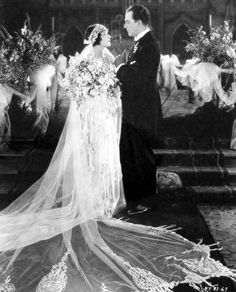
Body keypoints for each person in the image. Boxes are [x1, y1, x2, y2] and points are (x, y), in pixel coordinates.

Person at [0, 23, 235, 292]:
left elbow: (117, 77)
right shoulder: (86, 58)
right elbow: (76, 86)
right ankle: (92, 196)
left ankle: (105, 196)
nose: (113, 35)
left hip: (107, 115)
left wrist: (110, 89)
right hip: (95, 116)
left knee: (106, 156)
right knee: (95, 155)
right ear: (98, 37)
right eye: (108, 34)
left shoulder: (109, 57)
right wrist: (96, 92)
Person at [116, 5, 162, 212]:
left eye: (128, 21)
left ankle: (144, 200)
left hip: (141, 110)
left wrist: (119, 68)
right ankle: (135, 200)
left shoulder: (149, 45)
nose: (124, 25)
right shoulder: (141, 43)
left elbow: (138, 77)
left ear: (140, 22)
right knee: (132, 153)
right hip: (134, 109)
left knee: (140, 154)